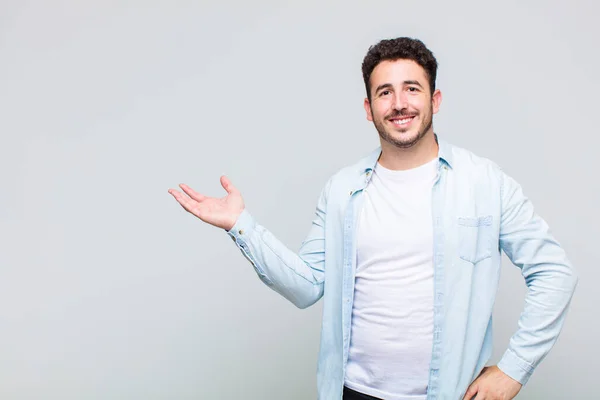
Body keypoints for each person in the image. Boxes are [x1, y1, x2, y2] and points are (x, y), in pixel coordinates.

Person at [168, 37, 577, 400]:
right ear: (369, 108)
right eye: (385, 92)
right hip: (354, 393)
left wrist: (513, 371)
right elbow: (307, 286)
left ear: (434, 100)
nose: (399, 103)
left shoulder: (486, 182)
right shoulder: (343, 188)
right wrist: (242, 225)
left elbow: (555, 272)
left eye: (411, 89)